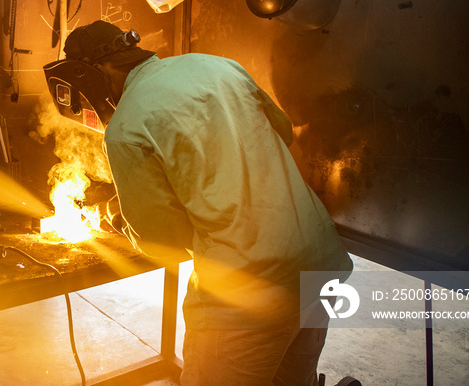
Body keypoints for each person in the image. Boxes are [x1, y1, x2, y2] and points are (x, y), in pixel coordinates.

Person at [58, 20, 353, 386]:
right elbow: (282, 133)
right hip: (318, 267)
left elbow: (163, 241)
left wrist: (117, 216)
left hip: (247, 296)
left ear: (92, 75)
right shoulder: (218, 66)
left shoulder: (125, 128)